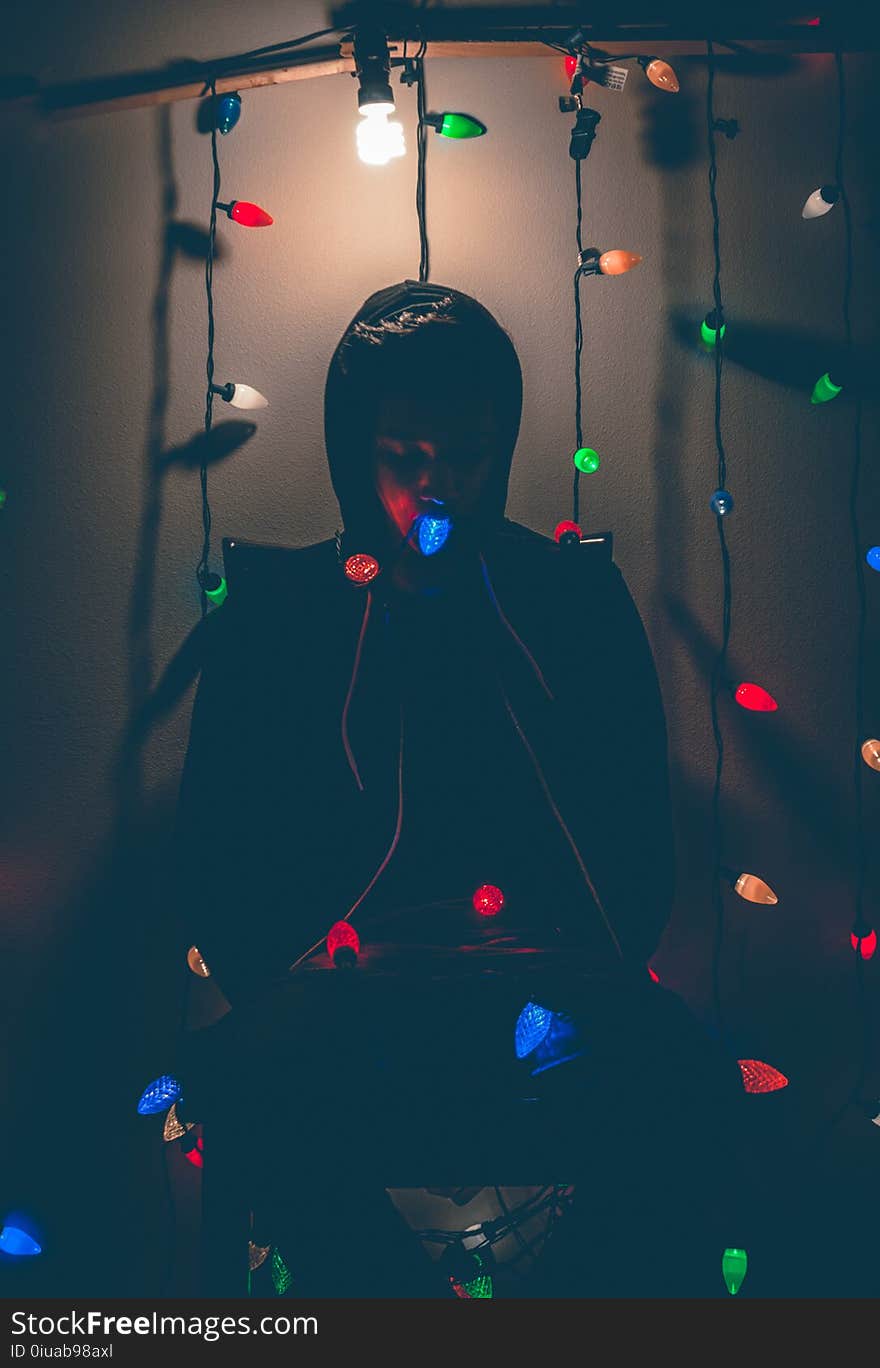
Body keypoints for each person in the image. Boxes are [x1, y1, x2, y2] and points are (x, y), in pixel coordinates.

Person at [170, 279, 751, 1297]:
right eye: (405, 456)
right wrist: (315, 970)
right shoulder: (279, 616)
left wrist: (562, 956)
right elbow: (217, 860)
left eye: (468, 457)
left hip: (546, 991)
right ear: (357, 448)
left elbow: (632, 848)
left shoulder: (564, 601)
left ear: (504, 447)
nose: (436, 490)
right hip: (336, 1003)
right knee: (253, 1088)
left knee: (688, 1084)